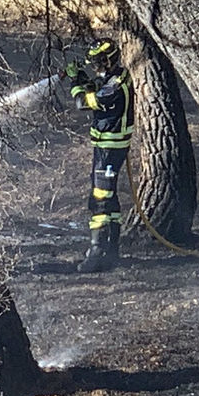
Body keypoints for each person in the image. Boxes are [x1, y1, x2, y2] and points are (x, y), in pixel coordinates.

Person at [64, 38, 133, 273]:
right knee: (109, 198)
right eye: (94, 63)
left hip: (110, 148)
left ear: (111, 59)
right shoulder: (114, 78)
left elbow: (83, 102)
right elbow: (95, 87)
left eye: (100, 62)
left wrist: (75, 82)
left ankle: (97, 253)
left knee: (100, 197)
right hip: (106, 146)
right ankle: (111, 252)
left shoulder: (114, 86)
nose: (97, 67)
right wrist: (83, 78)